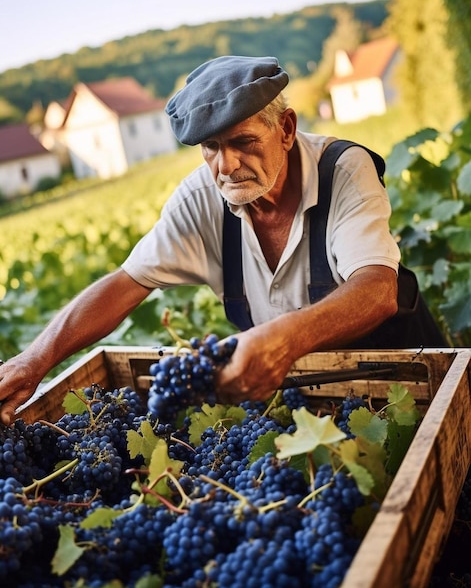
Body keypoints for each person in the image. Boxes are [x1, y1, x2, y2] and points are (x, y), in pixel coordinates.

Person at [0, 55, 444, 426]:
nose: (226, 165)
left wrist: (284, 339)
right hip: (301, 409)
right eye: (210, 147)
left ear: (286, 129)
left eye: (243, 141)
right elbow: (125, 283)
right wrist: (35, 360)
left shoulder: (343, 171)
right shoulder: (200, 198)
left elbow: (378, 289)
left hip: (404, 389)